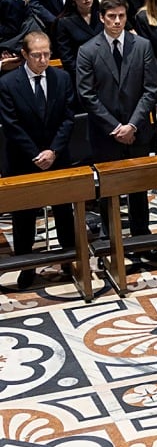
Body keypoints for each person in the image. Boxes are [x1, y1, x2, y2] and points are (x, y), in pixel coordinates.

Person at [76, 0, 157, 264]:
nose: (116, 21)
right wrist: (116, 127)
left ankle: (141, 238)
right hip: (106, 133)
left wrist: (133, 124)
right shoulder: (88, 50)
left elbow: (150, 89)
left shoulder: (142, 45)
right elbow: (87, 95)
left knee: (139, 187)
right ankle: (109, 242)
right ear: (101, 18)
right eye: (111, 17)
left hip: (137, 130)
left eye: (121, 16)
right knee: (109, 191)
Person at [0, 30, 77, 288]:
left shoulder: (62, 78)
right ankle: (26, 264)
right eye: (37, 55)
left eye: (47, 54)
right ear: (24, 55)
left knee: (64, 211)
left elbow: (68, 118)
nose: (43, 59)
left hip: (58, 156)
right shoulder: (8, 83)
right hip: (23, 159)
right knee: (24, 216)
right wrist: (35, 154)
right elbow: (11, 125)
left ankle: (69, 259)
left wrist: (53, 150)